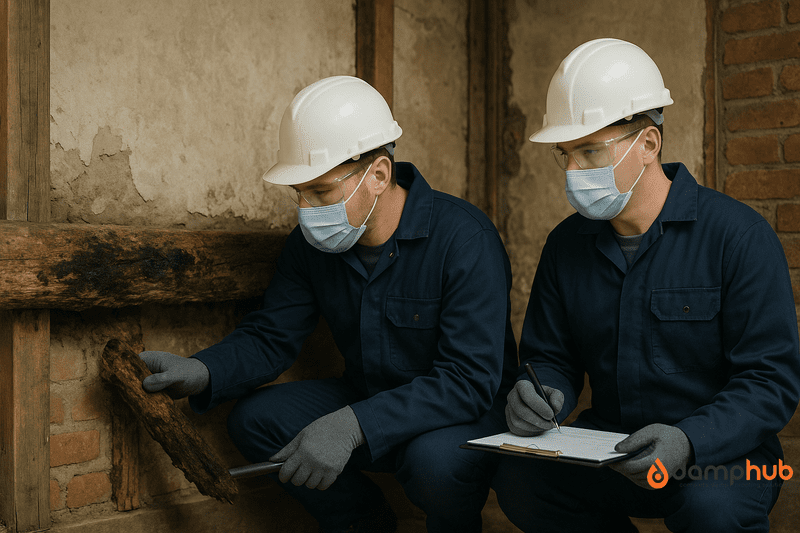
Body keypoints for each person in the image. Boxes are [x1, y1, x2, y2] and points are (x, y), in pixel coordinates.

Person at [138, 75, 518, 533]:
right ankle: (364, 523)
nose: (306, 209)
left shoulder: (465, 239)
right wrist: (204, 370)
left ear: (378, 175)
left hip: (462, 411)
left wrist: (354, 424)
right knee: (256, 421)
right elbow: (271, 336)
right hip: (369, 392)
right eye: (298, 193)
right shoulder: (311, 246)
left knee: (434, 464)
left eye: (320, 192)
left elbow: (467, 380)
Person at [492, 38, 800, 532]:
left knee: (711, 510)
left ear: (649, 144)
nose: (572, 171)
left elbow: (770, 380)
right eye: (565, 154)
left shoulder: (738, 237)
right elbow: (551, 356)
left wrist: (690, 439)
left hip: (724, 457)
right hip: (614, 445)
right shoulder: (566, 246)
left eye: (590, 151)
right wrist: (542, 391)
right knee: (520, 479)